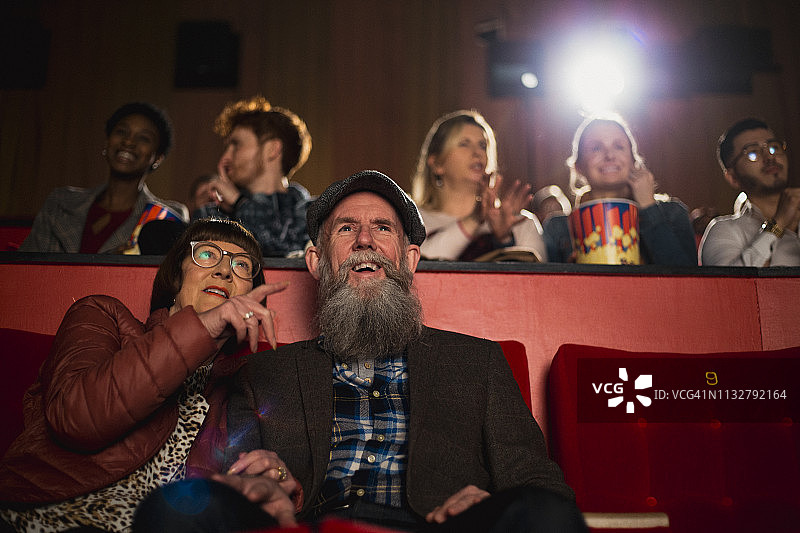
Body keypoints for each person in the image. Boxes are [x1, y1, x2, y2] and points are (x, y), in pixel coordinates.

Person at [135, 171, 586, 533]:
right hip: (307, 525)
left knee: (546, 514)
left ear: (410, 260)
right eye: (347, 228)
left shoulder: (478, 364)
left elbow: (542, 486)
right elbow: (239, 482)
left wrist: (488, 507)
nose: (365, 240)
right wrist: (266, 484)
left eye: (382, 228)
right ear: (316, 263)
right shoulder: (264, 372)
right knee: (174, 510)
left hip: (440, 528)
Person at [0, 219, 291, 532]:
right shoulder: (103, 315)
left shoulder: (239, 386)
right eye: (207, 254)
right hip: (47, 517)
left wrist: (275, 480)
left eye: (241, 264)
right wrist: (202, 328)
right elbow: (76, 419)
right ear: (176, 276)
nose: (224, 270)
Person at [19, 102, 189, 254]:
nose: (128, 142)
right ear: (107, 142)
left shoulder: (165, 217)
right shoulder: (60, 202)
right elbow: (25, 268)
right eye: (121, 132)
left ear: (157, 157)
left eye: (143, 138)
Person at [543, 113, 696, 265]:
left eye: (619, 146)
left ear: (633, 160)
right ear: (578, 166)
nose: (609, 155)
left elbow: (688, 277)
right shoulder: (559, 228)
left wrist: (649, 208)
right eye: (596, 148)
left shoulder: (672, 213)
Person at [410, 110, 546, 261]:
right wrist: (474, 219)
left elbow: (535, 274)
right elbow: (418, 265)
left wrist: (504, 240)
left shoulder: (520, 222)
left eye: (482, 145)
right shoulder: (412, 222)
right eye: (464, 144)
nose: (477, 153)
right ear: (436, 164)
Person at [194, 95, 313, 257]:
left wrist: (240, 203)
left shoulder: (312, 213)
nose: (224, 158)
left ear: (272, 149)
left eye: (236, 145)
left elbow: (286, 247)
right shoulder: (218, 213)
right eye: (226, 148)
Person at [699, 118, 800, 266]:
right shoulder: (724, 230)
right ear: (733, 177)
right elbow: (733, 281)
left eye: (773, 148)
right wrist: (778, 224)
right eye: (753, 153)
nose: (769, 157)